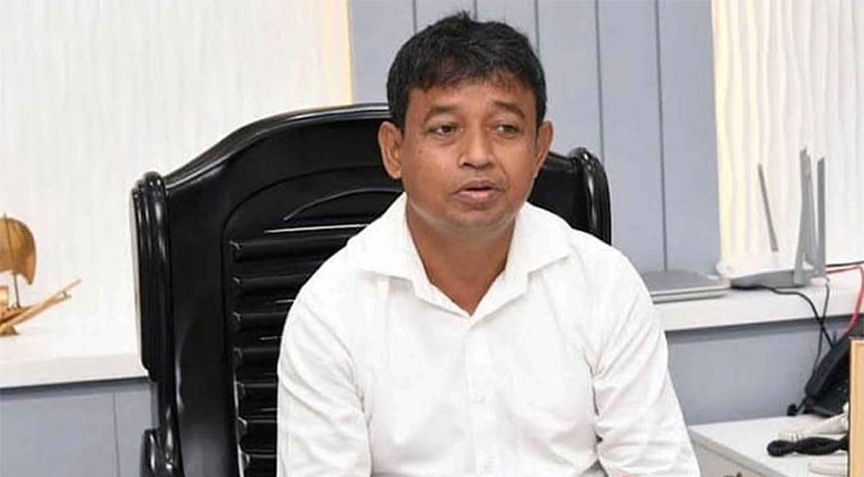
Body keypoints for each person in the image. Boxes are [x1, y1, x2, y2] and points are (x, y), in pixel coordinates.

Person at [277, 12, 699, 476]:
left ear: (539, 149)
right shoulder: (331, 311)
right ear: (395, 150)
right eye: (445, 129)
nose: (478, 155)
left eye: (505, 129)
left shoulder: (604, 285)